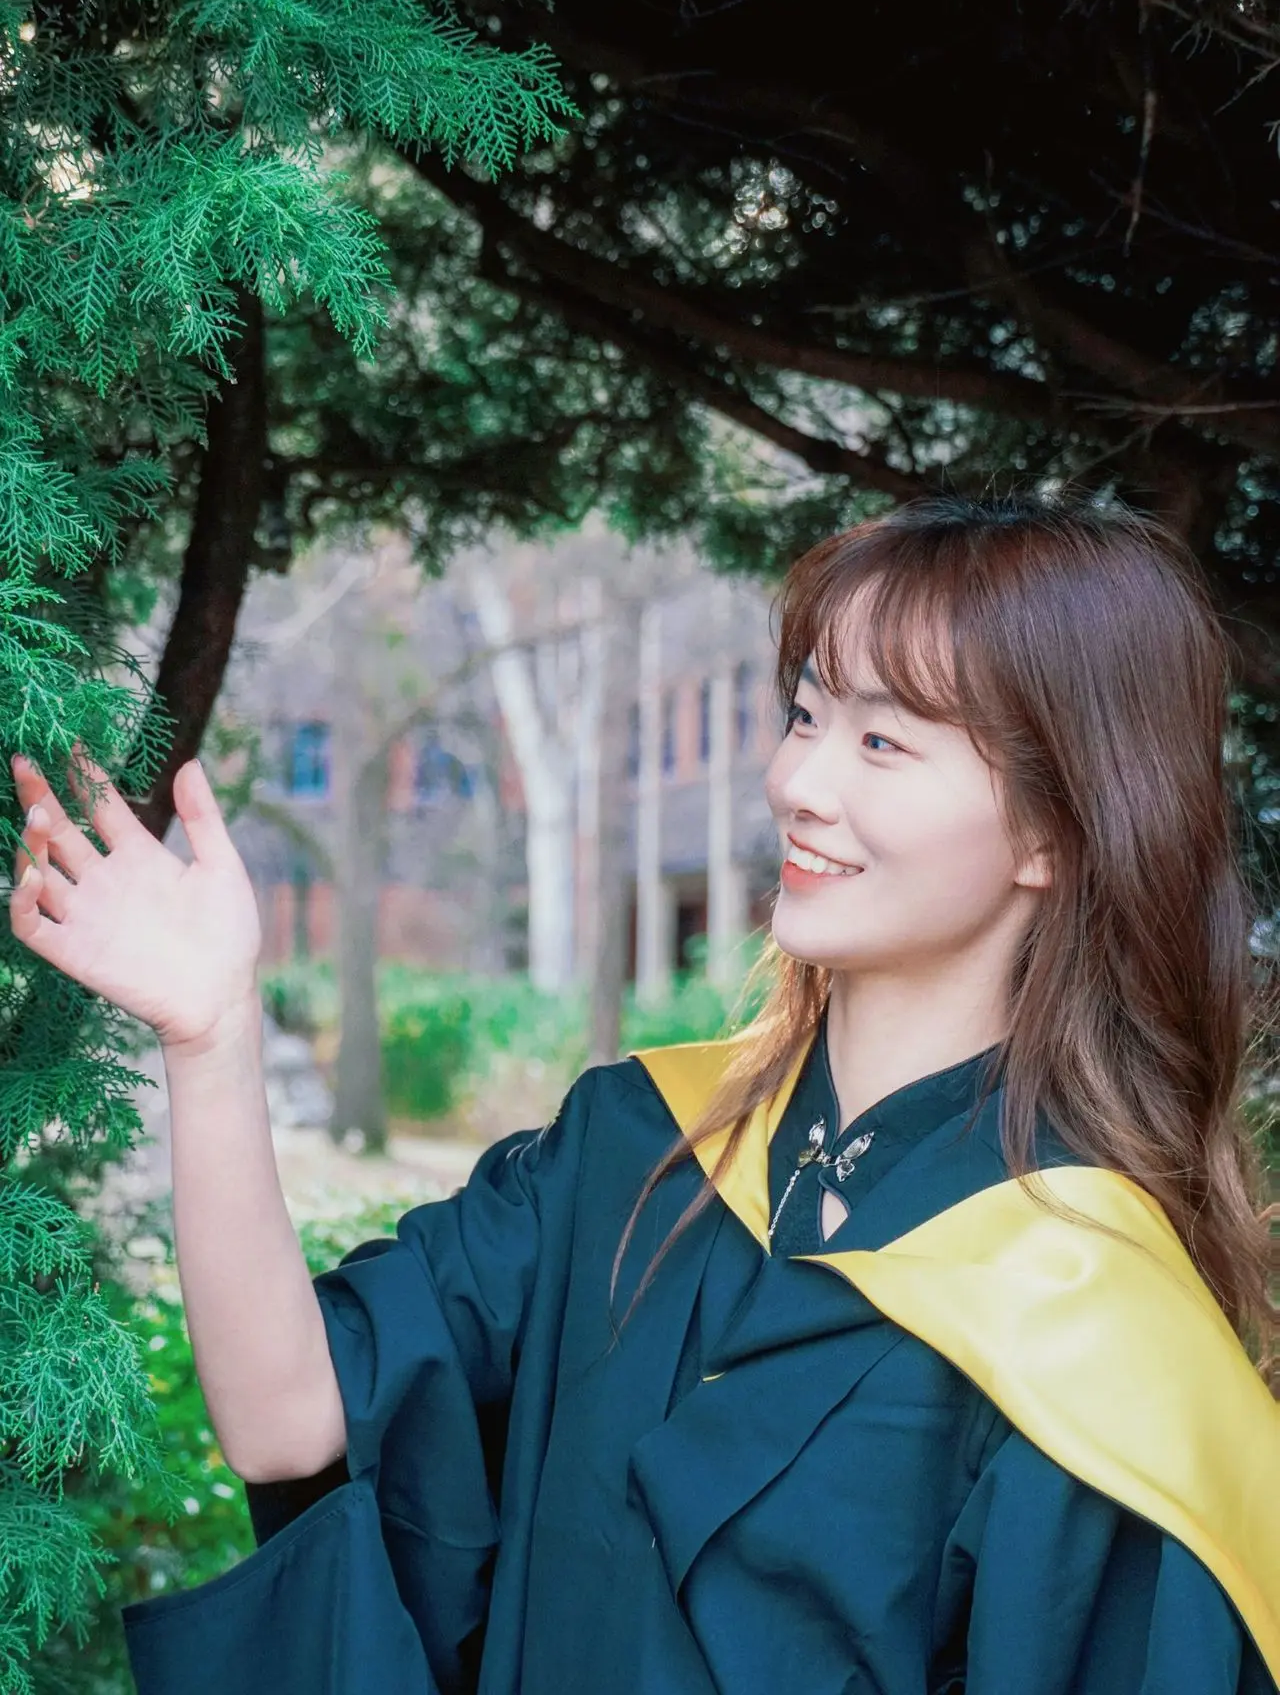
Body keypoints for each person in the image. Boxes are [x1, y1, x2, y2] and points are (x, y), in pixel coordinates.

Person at [9, 490, 1278, 1695]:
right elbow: (289, 1422)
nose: (797, 783)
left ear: (1055, 833)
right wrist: (212, 1037)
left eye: (882, 740)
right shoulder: (633, 1150)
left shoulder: (1096, 1350)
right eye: (805, 712)